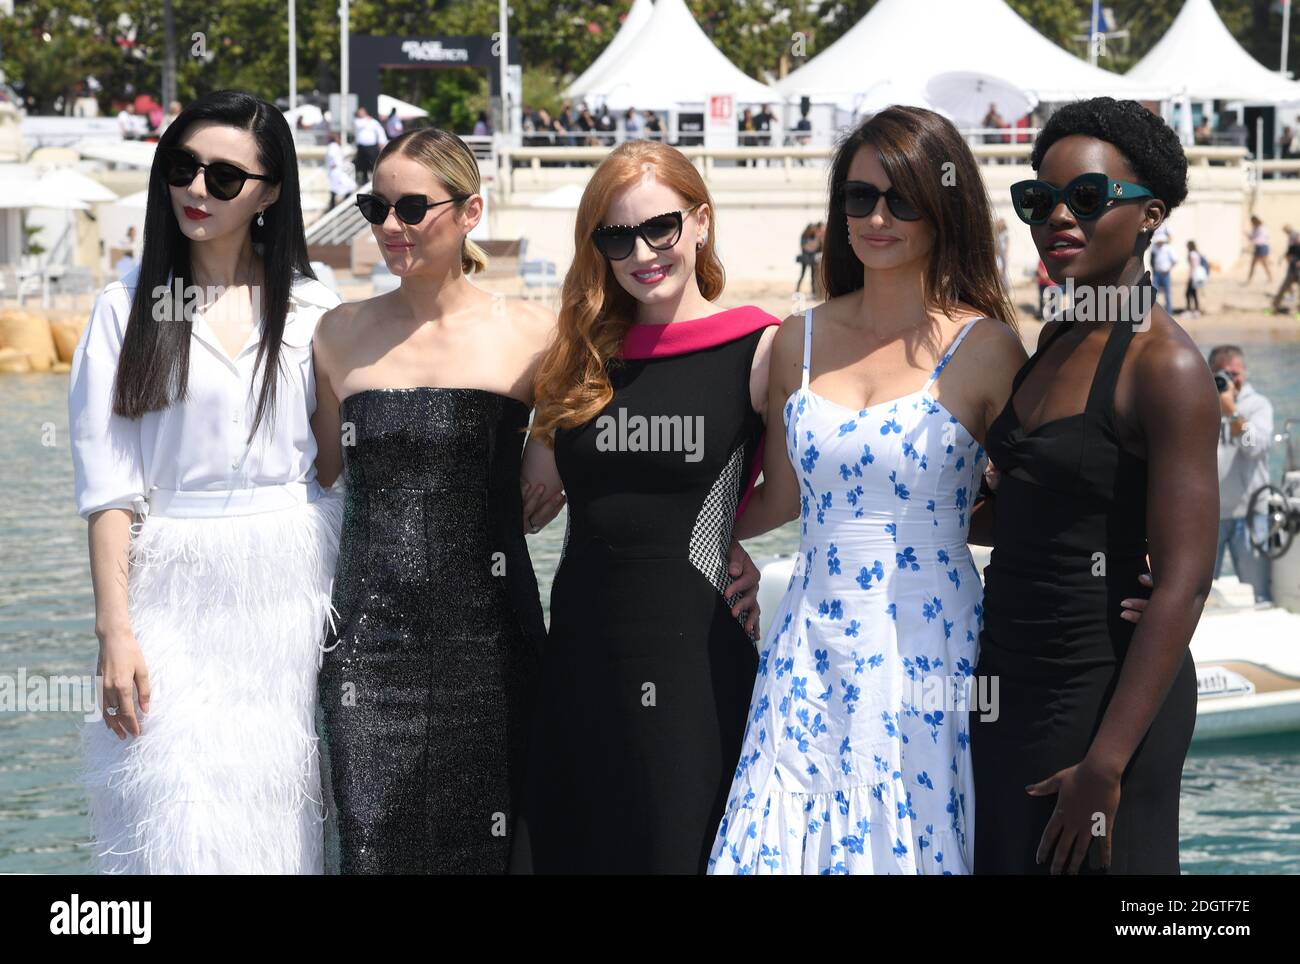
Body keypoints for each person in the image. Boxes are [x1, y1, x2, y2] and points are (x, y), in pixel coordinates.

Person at [708, 106, 1027, 875]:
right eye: (858, 198)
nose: (876, 217)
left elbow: (1031, 506)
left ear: (943, 210)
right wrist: (700, 539)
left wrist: (1125, 559)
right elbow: (781, 495)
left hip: (933, 649)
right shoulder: (798, 339)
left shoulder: (988, 349)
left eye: (902, 199)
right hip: (808, 643)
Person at [71, 89, 343, 874]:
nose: (197, 189)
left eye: (225, 177)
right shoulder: (123, 310)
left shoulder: (317, 309)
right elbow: (109, 489)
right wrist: (114, 631)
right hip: (172, 592)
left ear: (271, 193)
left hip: (295, 590)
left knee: (284, 821)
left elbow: (335, 468)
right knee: (174, 819)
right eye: (182, 168)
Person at [974, 96, 1218, 875]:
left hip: (1105, 702)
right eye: (1039, 201)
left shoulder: (1166, 368)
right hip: (1011, 680)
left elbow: (1184, 583)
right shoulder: (1052, 340)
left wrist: (1107, 764)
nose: (1058, 220)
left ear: (1149, 215)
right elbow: (1027, 514)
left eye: (1086, 198)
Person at [311, 128, 558, 873]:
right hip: (366, 648)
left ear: (471, 210)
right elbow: (316, 483)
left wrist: (549, 452)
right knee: (371, 849)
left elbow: (582, 462)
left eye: (412, 207)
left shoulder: (534, 334)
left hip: (490, 645)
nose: (390, 226)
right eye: (374, 206)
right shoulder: (337, 332)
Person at [523, 140, 772, 873]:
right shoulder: (574, 359)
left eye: (660, 227)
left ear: (700, 222)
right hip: (578, 658)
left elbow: (798, 493)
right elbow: (532, 503)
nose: (642, 252)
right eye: (617, 236)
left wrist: (730, 536)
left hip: (695, 662)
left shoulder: (762, 349)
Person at [1208, 345, 1274, 604]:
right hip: (1209, 516)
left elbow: (1255, 448)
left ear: (1244, 373)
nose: (1230, 379)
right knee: (1198, 596)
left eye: (1234, 373)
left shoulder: (1258, 405)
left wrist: (1233, 412)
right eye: (1222, 373)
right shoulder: (1199, 402)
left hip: (1250, 514)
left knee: (1258, 595)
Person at [352, 106, 388, 186]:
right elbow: (359, 125)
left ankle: (375, 180)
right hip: (361, 147)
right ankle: (363, 181)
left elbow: (380, 131)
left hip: (371, 147)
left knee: (373, 164)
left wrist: (382, 143)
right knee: (362, 165)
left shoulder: (373, 121)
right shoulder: (357, 121)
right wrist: (367, 119)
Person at [1271, 225, 1300, 313]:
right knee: (1283, 289)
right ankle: (1275, 306)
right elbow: (1287, 255)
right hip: (1291, 272)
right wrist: (1288, 259)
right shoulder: (1292, 247)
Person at [324, 131, 356, 210]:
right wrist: (334, 163)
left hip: (336, 171)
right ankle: (341, 205)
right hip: (335, 171)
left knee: (336, 188)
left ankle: (335, 205)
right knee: (350, 186)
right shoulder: (333, 146)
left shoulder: (332, 146)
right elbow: (333, 156)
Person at [1150, 230, 1175, 312]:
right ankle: (1153, 311)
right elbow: (1152, 259)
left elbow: (1174, 260)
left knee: (1167, 294)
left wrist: (1168, 269)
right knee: (1154, 293)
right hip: (1157, 273)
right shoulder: (1154, 247)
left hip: (1165, 274)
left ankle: (1169, 312)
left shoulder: (1168, 248)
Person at [1246, 215, 1272, 284]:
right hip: (1258, 247)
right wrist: (1248, 235)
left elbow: (1261, 239)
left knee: (1264, 264)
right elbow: (1252, 238)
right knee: (1253, 264)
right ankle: (1249, 279)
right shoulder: (1255, 228)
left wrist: (1251, 243)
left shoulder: (1262, 228)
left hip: (1262, 247)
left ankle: (1270, 278)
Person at [796, 221, 820, 293]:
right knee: (802, 275)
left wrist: (811, 246)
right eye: (812, 228)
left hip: (812, 258)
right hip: (805, 258)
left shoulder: (813, 236)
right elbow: (804, 247)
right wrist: (812, 246)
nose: (813, 230)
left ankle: (813, 291)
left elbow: (816, 246)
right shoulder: (804, 236)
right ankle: (797, 290)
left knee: (813, 276)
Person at [1185, 240, 1207, 317]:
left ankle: (1189, 310)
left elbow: (1192, 267)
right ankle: (1196, 310)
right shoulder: (1197, 253)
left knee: (1188, 294)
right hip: (1197, 275)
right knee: (1194, 294)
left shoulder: (1191, 254)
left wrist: (1189, 277)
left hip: (1193, 276)